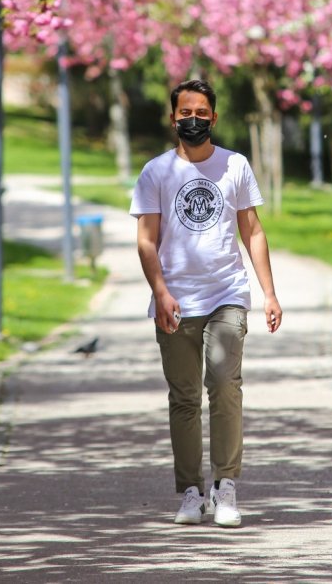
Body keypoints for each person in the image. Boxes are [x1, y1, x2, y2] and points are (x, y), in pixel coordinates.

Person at [130, 78, 282, 528]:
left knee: (224, 385)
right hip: (175, 300)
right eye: (185, 113)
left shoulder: (234, 165)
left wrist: (269, 292)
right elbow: (145, 240)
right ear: (172, 117)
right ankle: (191, 492)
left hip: (226, 295)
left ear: (214, 118)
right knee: (184, 397)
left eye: (201, 113)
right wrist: (160, 291)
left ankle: (226, 486)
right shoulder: (156, 172)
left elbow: (252, 230)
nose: (193, 120)